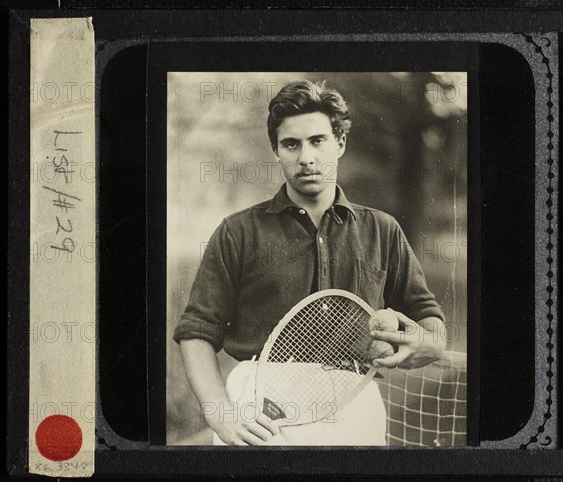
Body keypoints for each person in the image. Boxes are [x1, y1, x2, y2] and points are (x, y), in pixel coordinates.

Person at [174, 80, 446, 446]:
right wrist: (222, 417)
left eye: (317, 140)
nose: (306, 158)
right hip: (260, 406)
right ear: (276, 150)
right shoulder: (237, 232)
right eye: (291, 144)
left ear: (340, 143)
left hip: (355, 401)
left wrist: (432, 344)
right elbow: (197, 332)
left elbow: (427, 316)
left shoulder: (382, 230)